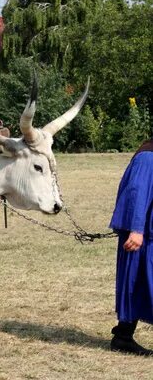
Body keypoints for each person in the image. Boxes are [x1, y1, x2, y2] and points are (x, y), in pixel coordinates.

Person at [109, 138, 153, 356]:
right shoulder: (148, 157)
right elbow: (137, 193)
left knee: (142, 285)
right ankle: (123, 337)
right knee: (137, 282)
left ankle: (123, 335)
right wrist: (136, 230)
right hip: (143, 236)